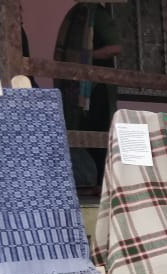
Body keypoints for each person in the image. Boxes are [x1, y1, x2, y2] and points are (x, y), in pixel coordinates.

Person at [54, 2, 122, 190]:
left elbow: (114, 48)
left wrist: (84, 56)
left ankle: (98, 182)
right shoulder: (86, 14)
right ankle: (93, 183)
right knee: (90, 131)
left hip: (85, 90)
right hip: (85, 89)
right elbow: (114, 48)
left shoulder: (85, 15)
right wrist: (84, 57)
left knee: (92, 130)